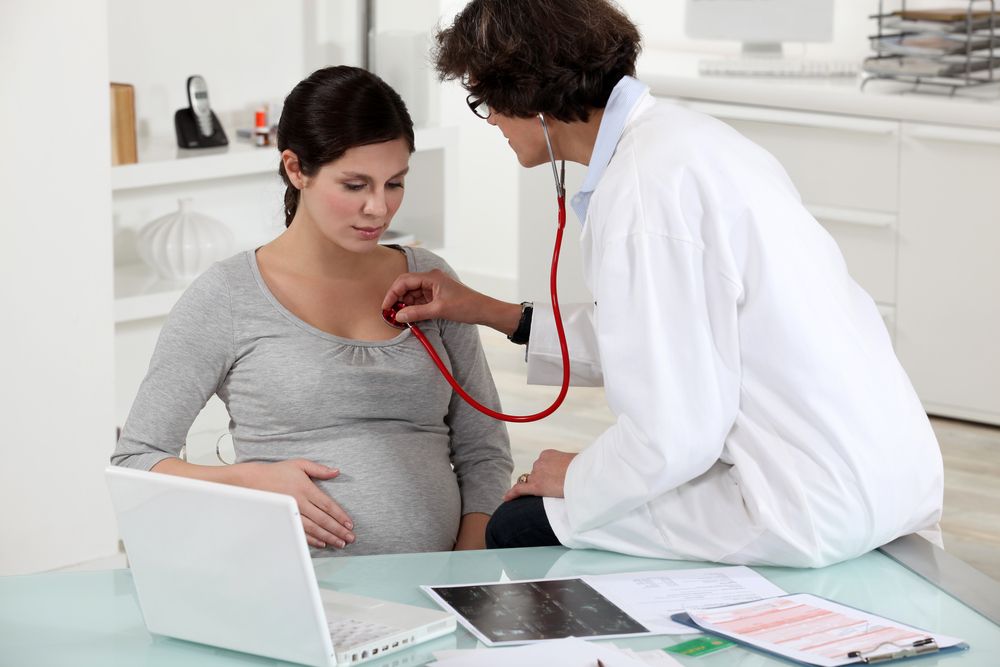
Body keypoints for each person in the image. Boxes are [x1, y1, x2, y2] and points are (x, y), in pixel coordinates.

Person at [381, 0, 944, 567]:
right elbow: (662, 331)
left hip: (805, 501)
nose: (493, 122)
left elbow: (675, 435)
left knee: (518, 526)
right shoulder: (687, 142)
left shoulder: (644, 193)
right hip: (892, 472)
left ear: (529, 93)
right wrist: (486, 309)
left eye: (485, 101)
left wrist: (576, 475)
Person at [112, 66, 513, 555]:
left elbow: (484, 450)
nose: (379, 209)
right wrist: (248, 482)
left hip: (440, 593)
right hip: (295, 596)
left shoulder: (429, 280)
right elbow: (136, 460)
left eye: (394, 183)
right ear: (295, 168)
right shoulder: (228, 294)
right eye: (354, 185)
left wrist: (467, 573)